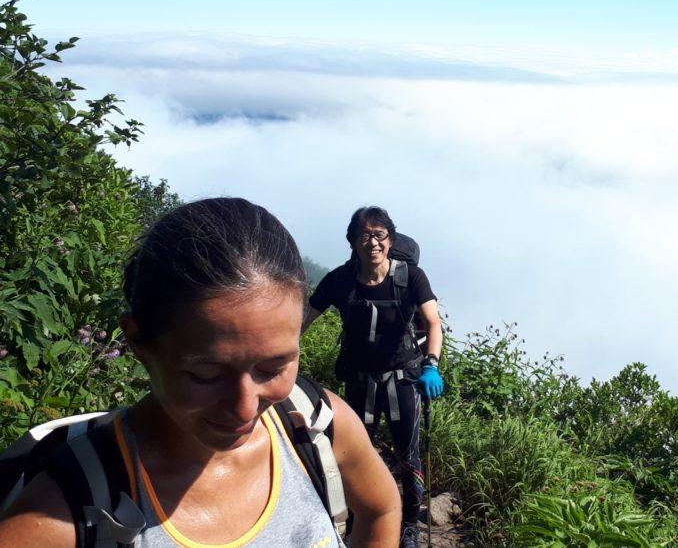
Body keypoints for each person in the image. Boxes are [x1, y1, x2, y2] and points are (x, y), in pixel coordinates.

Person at [0, 198, 401, 547]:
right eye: (206, 374)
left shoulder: (315, 426)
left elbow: (382, 508)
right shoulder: (64, 510)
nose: (244, 409)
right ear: (139, 342)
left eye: (274, 366)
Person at [302, 206, 443, 548]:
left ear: (390, 240)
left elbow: (433, 322)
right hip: (359, 381)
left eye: (379, 235)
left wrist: (431, 364)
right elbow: (305, 317)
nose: (372, 242)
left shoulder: (410, 277)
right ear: (352, 241)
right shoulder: (340, 280)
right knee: (353, 455)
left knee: (408, 455)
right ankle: (356, 520)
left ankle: (408, 524)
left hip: (404, 379)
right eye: (364, 235)